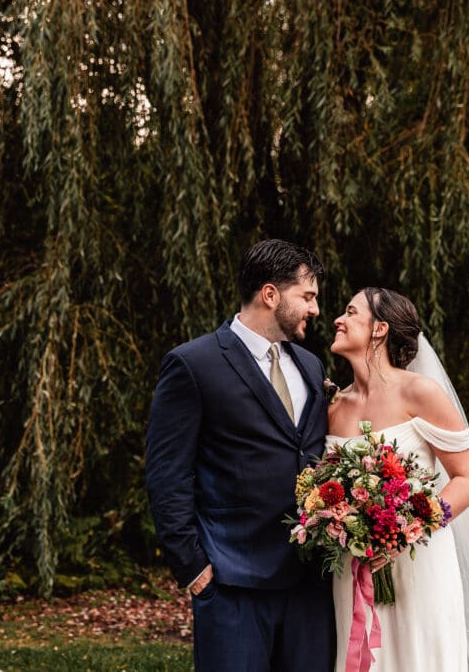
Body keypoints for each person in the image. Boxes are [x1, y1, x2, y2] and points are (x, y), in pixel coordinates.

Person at [327, 287, 469, 671]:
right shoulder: (334, 406)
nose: (338, 319)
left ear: (380, 329)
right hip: (355, 569)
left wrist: (406, 532)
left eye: (351, 312)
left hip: (418, 561)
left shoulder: (420, 392)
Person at [145, 239, 336, 671]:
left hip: (310, 585)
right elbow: (167, 475)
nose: (316, 310)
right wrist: (194, 569)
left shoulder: (311, 365)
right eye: (307, 297)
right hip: (233, 583)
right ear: (270, 295)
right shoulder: (193, 364)